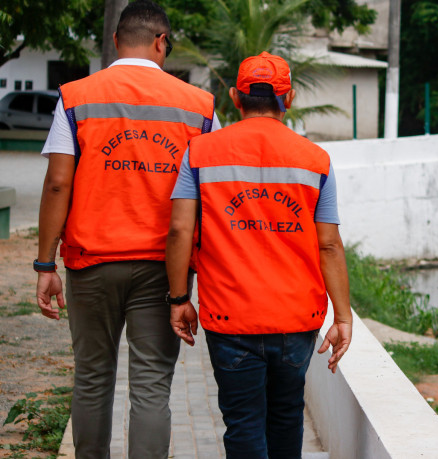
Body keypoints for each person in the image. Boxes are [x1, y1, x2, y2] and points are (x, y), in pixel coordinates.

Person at [34, 1, 220, 457]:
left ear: (116, 41)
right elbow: (212, 193)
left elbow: (58, 182)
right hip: (164, 271)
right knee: (152, 385)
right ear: (162, 42)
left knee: (93, 377)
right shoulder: (199, 106)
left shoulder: (75, 96)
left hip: (90, 262)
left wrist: (45, 263)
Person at [165, 52, 353, 458]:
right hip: (295, 320)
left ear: (235, 96)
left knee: (243, 422)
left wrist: (179, 299)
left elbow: (180, 228)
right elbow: (329, 244)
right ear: (292, 97)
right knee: (286, 417)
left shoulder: (200, 153)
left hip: (229, 317)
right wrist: (342, 316)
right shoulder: (316, 160)